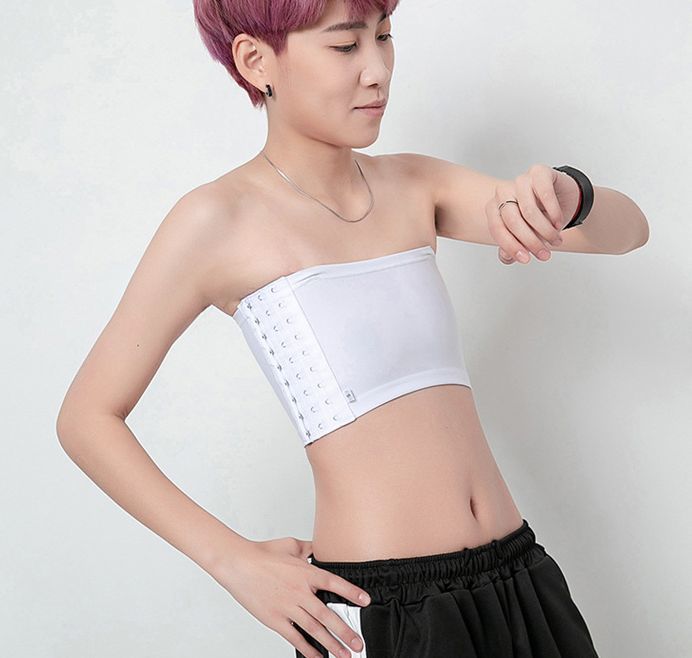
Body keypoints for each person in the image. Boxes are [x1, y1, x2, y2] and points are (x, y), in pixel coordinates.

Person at [56, 1, 649, 656]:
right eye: (345, 46)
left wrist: (571, 195)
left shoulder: (414, 183)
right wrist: (231, 560)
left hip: (519, 576)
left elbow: (628, 232)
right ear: (256, 61)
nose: (377, 70)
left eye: (384, 37)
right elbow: (86, 418)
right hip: (387, 607)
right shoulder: (216, 221)